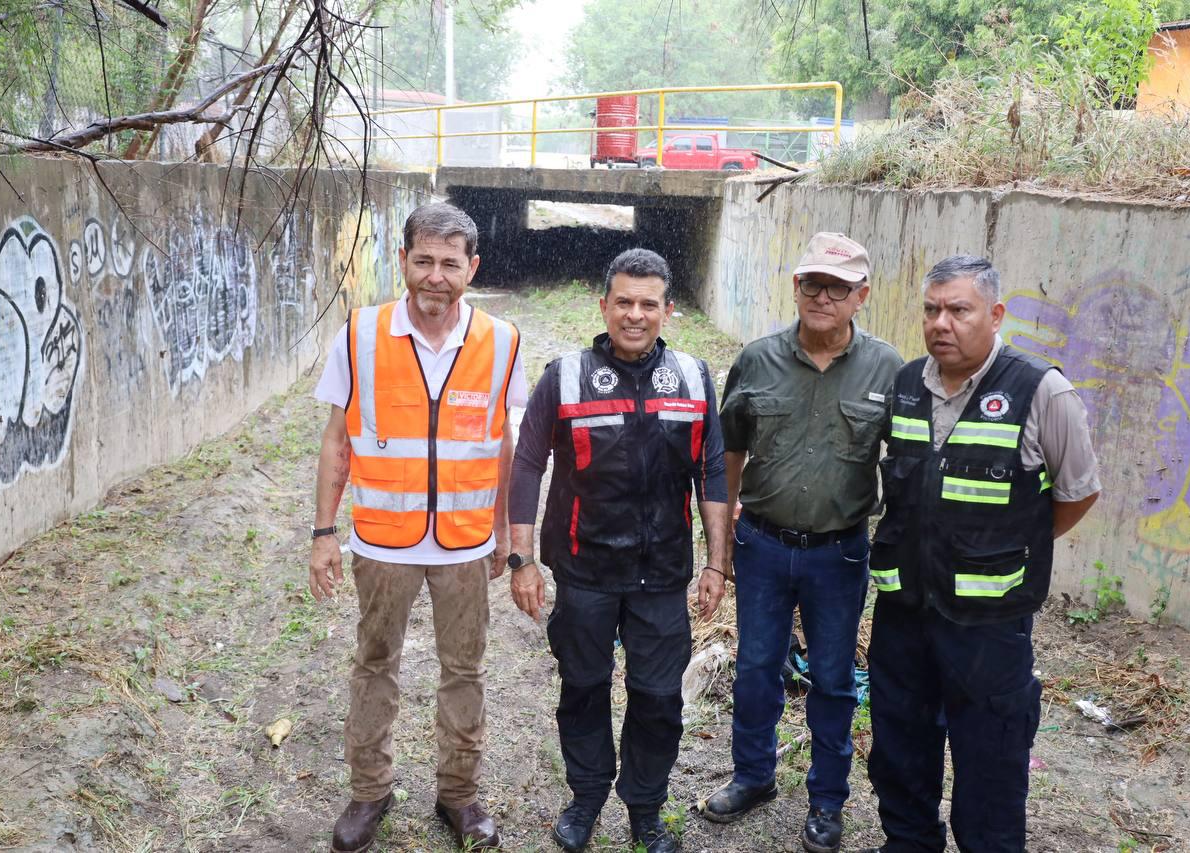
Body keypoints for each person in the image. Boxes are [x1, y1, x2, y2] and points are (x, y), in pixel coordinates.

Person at [858, 255, 1101, 853]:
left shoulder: (1041, 390)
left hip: (990, 626)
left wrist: (1004, 551)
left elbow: (1077, 494)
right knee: (900, 747)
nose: (942, 323)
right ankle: (908, 842)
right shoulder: (905, 385)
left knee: (991, 759)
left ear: (994, 315)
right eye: (932, 309)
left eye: (959, 310)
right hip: (904, 614)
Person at [308, 202, 528, 853]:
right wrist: (324, 532)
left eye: (450, 263)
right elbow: (335, 442)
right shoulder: (359, 333)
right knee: (374, 663)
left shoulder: (503, 340)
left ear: (472, 267)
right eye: (423, 260)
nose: (436, 276)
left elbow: (506, 442)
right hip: (381, 542)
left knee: (465, 670)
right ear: (403, 260)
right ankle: (369, 790)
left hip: (465, 542)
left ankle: (459, 796)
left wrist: (506, 530)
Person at [507, 248, 729, 853]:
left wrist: (716, 563)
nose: (635, 315)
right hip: (584, 568)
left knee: (657, 698)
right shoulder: (566, 375)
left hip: (660, 574)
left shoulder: (692, 376)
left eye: (648, 304)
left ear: (668, 309)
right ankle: (585, 799)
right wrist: (521, 559)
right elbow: (526, 465)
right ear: (602, 305)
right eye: (623, 302)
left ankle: (646, 809)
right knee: (583, 685)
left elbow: (711, 470)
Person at [702, 232, 903, 853]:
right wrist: (724, 530)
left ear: (861, 296)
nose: (822, 296)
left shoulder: (888, 368)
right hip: (762, 545)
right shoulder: (758, 360)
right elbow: (729, 448)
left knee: (835, 680)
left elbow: (903, 459)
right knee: (758, 668)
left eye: (838, 288)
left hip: (839, 554)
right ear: (796, 287)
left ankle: (826, 799)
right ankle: (754, 776)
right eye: (812, 283)